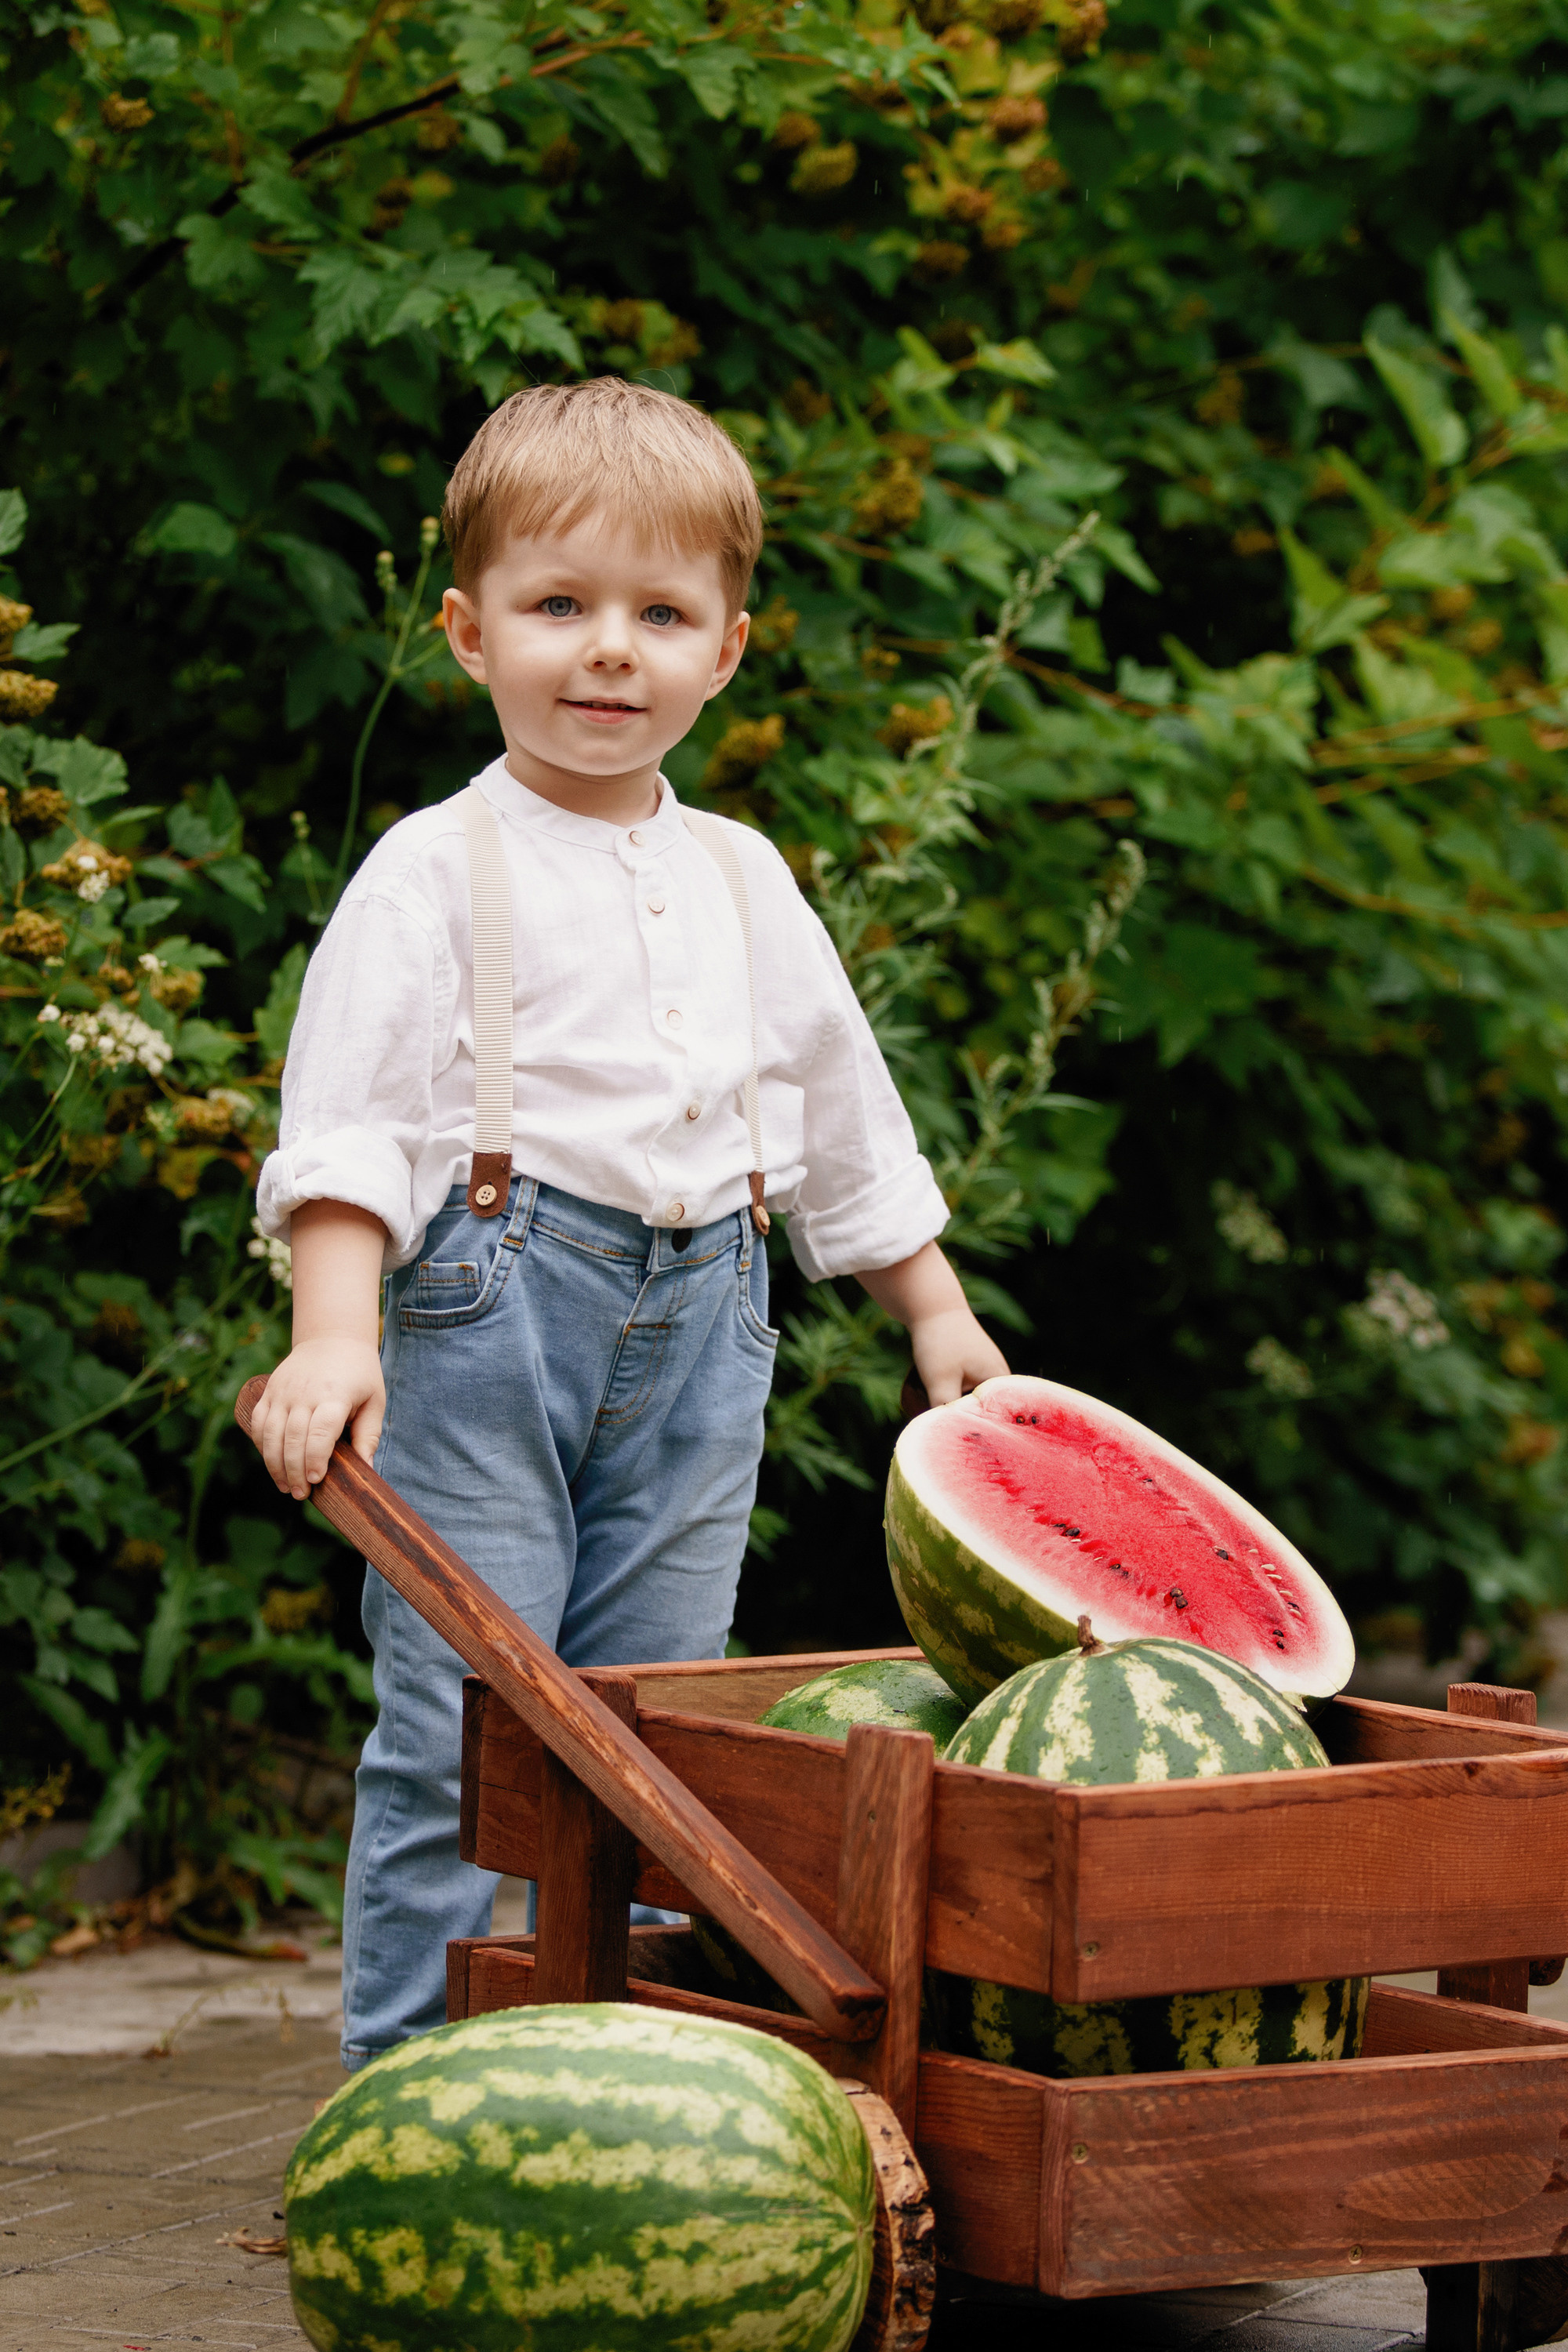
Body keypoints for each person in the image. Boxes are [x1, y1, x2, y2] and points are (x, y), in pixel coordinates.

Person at [252, 377, 1007, 2070]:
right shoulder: (436, 870)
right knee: (466, 1723)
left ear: (726, 651)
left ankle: (635, 2089)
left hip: (707, 1315)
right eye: (559, 607)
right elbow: (350, 1127)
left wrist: (930, 1308)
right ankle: (407, 2089)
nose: (609, 652)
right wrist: (335, 1331)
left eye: (659, 615)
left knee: (663, 1728)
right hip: (491, 1309)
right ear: (468, 632)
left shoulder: (747, 875)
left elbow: (834, 1106)